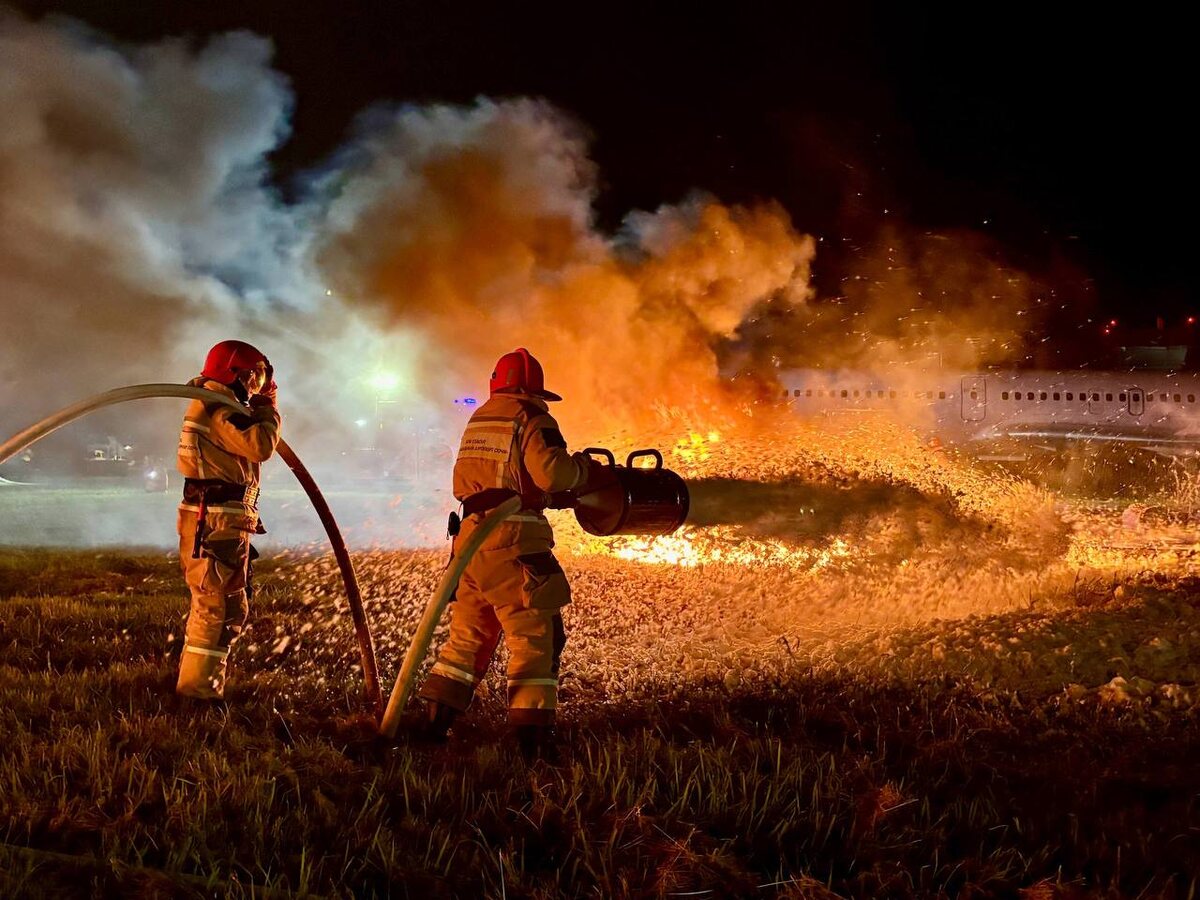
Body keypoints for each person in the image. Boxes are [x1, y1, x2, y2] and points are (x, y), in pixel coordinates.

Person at [417, 348, 594, 761]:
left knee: (469, 636)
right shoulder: (533, 418)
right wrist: (584, 471)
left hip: (471, 543)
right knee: (537, 636)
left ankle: (433, 725)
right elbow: (553, 473)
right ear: (534, 390)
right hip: (515, 540)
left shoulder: (480, 419)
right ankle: (532, 745)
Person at [175, 339, 280, 700]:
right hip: (214, 521)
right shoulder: (220, 407)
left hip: (220, 521)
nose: (258, 386)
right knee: (215, 607)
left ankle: (206, 687)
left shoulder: (221, 402)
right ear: (236, 373)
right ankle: (196, 695)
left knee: (228, 607)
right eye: (255, 378)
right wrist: (268, 409)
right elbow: (261, 446)